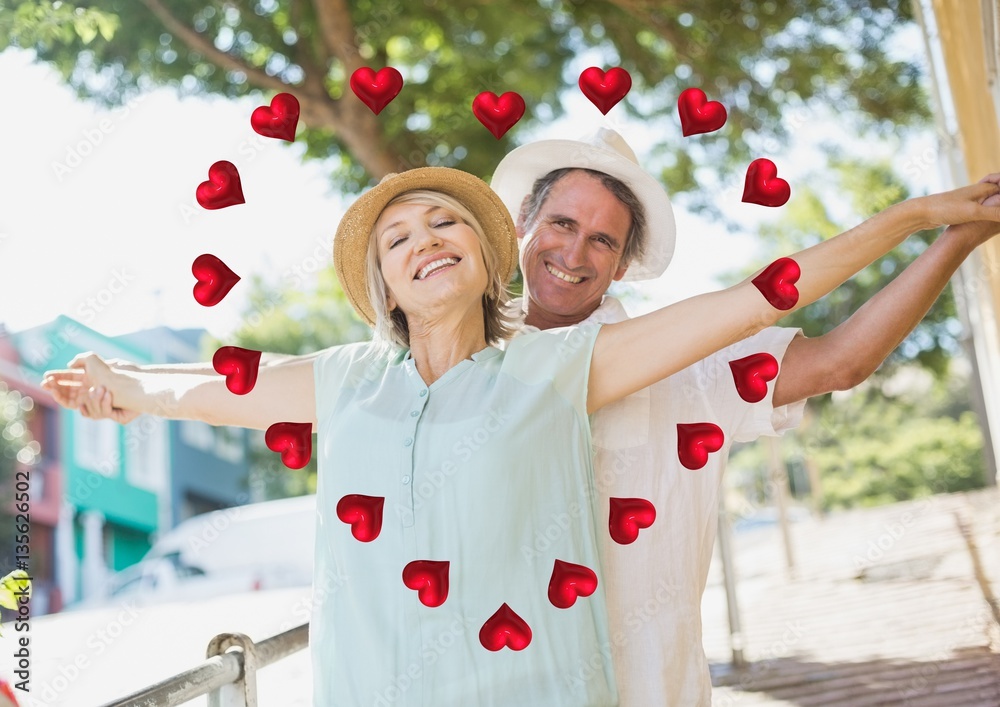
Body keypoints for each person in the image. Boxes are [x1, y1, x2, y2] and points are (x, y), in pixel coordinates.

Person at [44, 155, 1000, 706]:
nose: (575, 251)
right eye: (398, 234)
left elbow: (766, 306)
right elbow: (215, 386)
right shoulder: (349, 379)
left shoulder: (570, 367)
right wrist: (115, 383)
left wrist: (924, 218)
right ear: (524, 229)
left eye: (603, 238)